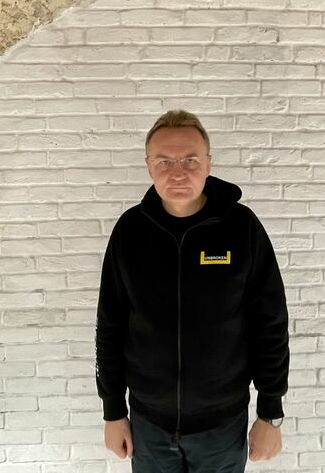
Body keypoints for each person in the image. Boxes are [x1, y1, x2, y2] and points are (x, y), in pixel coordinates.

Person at [95, 109, 290, 472]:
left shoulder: (241, 228)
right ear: (149, 165)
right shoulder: (131, 232)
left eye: (190, 159)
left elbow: (271, 323)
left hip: (222, 425)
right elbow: (109, 325)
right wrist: (113, 411)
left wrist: (270, 413)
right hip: (148, 425)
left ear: (208, 162)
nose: (178, 171)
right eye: (164, 161)